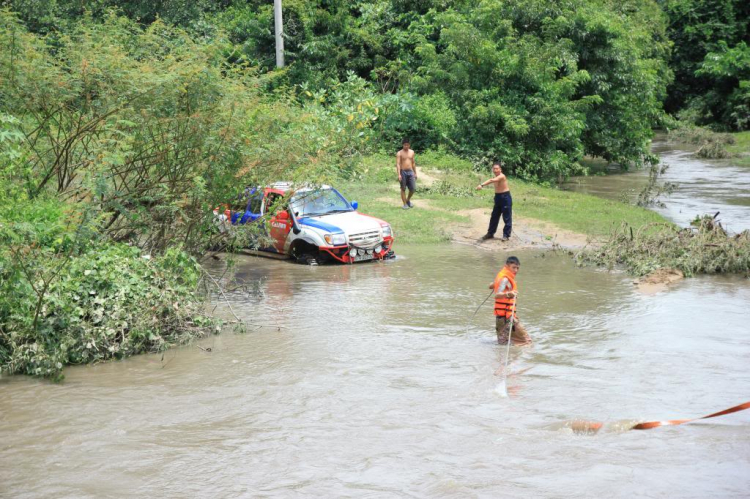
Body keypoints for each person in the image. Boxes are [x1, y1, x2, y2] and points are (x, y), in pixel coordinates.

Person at [489, 256, 531, 345]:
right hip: (507, 318)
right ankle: (518, 358)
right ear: (507, 266)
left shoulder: (504, 277)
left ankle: (504, 358)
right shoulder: (505, 279)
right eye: (513, 267)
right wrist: (509, 294)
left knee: (503, 344)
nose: (516, 270)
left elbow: (491, 286)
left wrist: (494, 284)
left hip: (501, 318)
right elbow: (497, 295)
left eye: (517, 268)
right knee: (526, 341)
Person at [476, 161, 512, 241]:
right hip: (498, 197)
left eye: (497, 169)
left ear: (500, 169)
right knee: (494, 216)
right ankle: (490, 233)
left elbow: (492, 180)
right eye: (494, 169)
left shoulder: (502, 176)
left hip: (505, 197)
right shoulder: (495, 176)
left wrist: (482, 185)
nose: (495, 170)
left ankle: (506, 235)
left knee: (506, 217)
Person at [396, 139, 417, 209]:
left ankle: (407, 200)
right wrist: (399, 174)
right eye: (405, 145)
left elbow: (413, 163)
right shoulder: (399, 153)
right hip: (403, 172)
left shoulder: (412, 152)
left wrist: (415, 173)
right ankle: (405, 204)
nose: (406, 146)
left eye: (407, 145)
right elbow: (398, 164)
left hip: (410, 171)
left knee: (413, 189)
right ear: (403, 145)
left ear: (409, 145)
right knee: (403, 188)